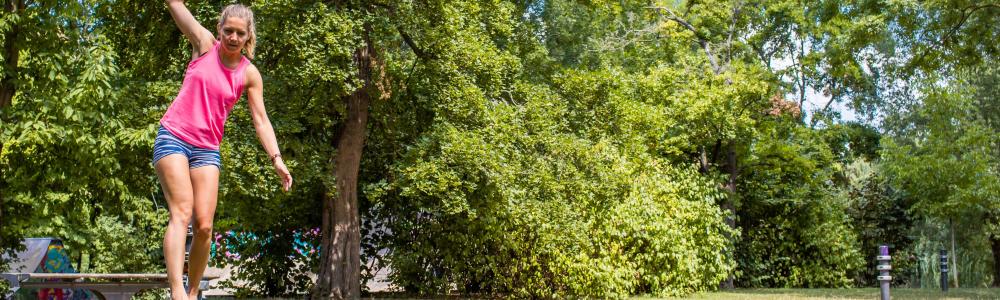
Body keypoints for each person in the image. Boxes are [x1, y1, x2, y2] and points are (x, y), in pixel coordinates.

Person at [156, 1, 292, 299]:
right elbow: (174, 5)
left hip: (207, 148)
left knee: (204, 226)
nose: (232, 37)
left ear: (248, 36)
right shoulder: (204, 44)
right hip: (174, 136)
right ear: (220, 29)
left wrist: (277, 159)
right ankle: (177, 294)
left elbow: (261, 120)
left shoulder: (249, 74)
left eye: (239, 33)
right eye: (228, 30)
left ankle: (193, 294)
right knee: (181, 210)